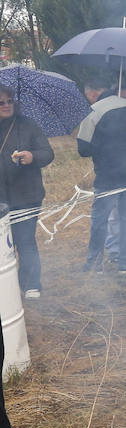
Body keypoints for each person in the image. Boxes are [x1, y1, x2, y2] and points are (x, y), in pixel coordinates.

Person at [78, 81, 126, 274]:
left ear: (92, 93)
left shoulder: (93, 111)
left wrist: (103, 146)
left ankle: (94, 264)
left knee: (100, 221)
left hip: (108, 178)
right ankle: (125, 263)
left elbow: (83, 149)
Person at [0, 83, 54, 299]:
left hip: (26, 196)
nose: (6, 105)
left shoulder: (28, 125)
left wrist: (33, 157)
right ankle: (6, 286)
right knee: (3, 245)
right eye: (1, 102)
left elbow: (48, 153)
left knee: (25, 240)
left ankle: (31, 285)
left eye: (9, 101)